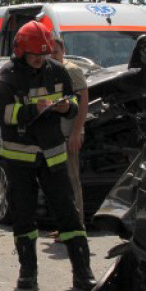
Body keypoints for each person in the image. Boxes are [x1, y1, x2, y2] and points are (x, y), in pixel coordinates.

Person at [0, 20, 96, 291]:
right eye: (34, 56)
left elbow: (74, 102)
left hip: (53, 153)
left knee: (68, 213)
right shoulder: (7, 75)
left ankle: (83, 272)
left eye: (43, 55)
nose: (39, 60)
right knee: (24, 215)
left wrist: (65, 109)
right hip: (20, 158)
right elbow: (4, 115)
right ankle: (28, 272)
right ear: (20, 52)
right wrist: (34, 109)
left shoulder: (59, 72)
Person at [51, 36, 89, 233]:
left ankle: (76, 225)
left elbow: (83, 102)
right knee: (59, 183)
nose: (52, 56)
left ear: (63, 50)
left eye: (55, 52)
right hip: (56, 135)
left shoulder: (71, 70)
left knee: (72, 181)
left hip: (69, 134)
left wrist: (76, 132)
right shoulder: (50, 71)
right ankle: (64, 226)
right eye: (49, 52)